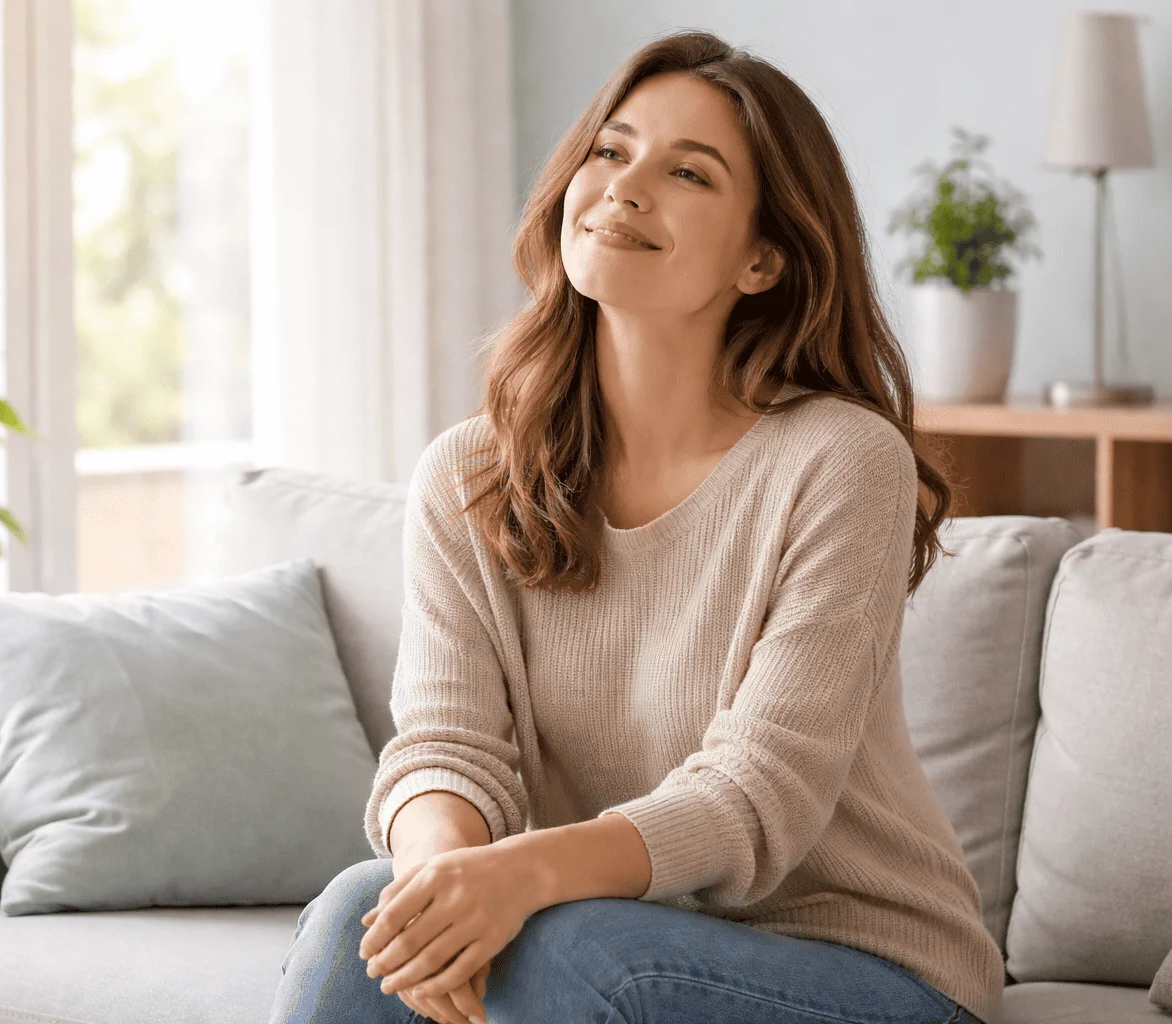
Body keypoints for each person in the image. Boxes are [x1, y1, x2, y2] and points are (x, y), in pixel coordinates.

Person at [267, 28, 1003, 1024]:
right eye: (610, 151)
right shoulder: (470, 476)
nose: (624, 186)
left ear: (763, 259)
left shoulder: (840, 461)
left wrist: (521, 874)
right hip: (613, 938)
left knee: (573, 947)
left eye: (687, 172)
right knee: (362, 914)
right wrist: (440, 884)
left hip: (869, 968)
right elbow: (445, 748)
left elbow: (756, 793)